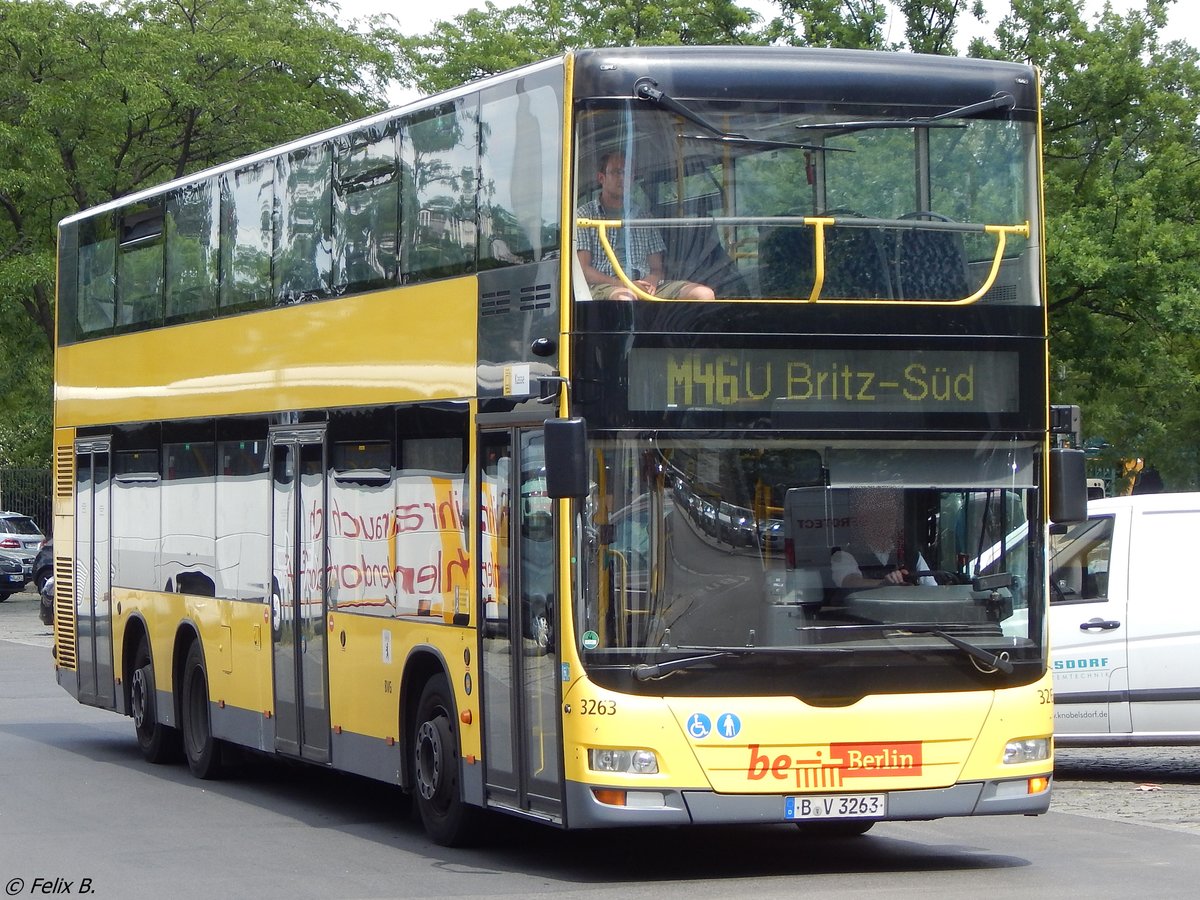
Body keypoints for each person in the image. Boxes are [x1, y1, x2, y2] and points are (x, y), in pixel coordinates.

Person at [576, 152, 715, 301]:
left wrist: (651, 281)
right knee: (626, 299)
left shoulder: (644, 216)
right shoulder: (584, 215)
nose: (623, 178)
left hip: (643, 284)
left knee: (704, 294)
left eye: (628, 173)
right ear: (601, 178)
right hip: (606, 285)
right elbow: (584, 270)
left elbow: (656, 268)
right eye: (617, 172)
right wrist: (623, 284)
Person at [830, 488, 936, 588]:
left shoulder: (911, 553)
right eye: (878, 516)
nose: (885, 521)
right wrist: (884, 584)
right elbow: (849, 582)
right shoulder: (844, 554)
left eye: (890, 515)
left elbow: (932, 588)